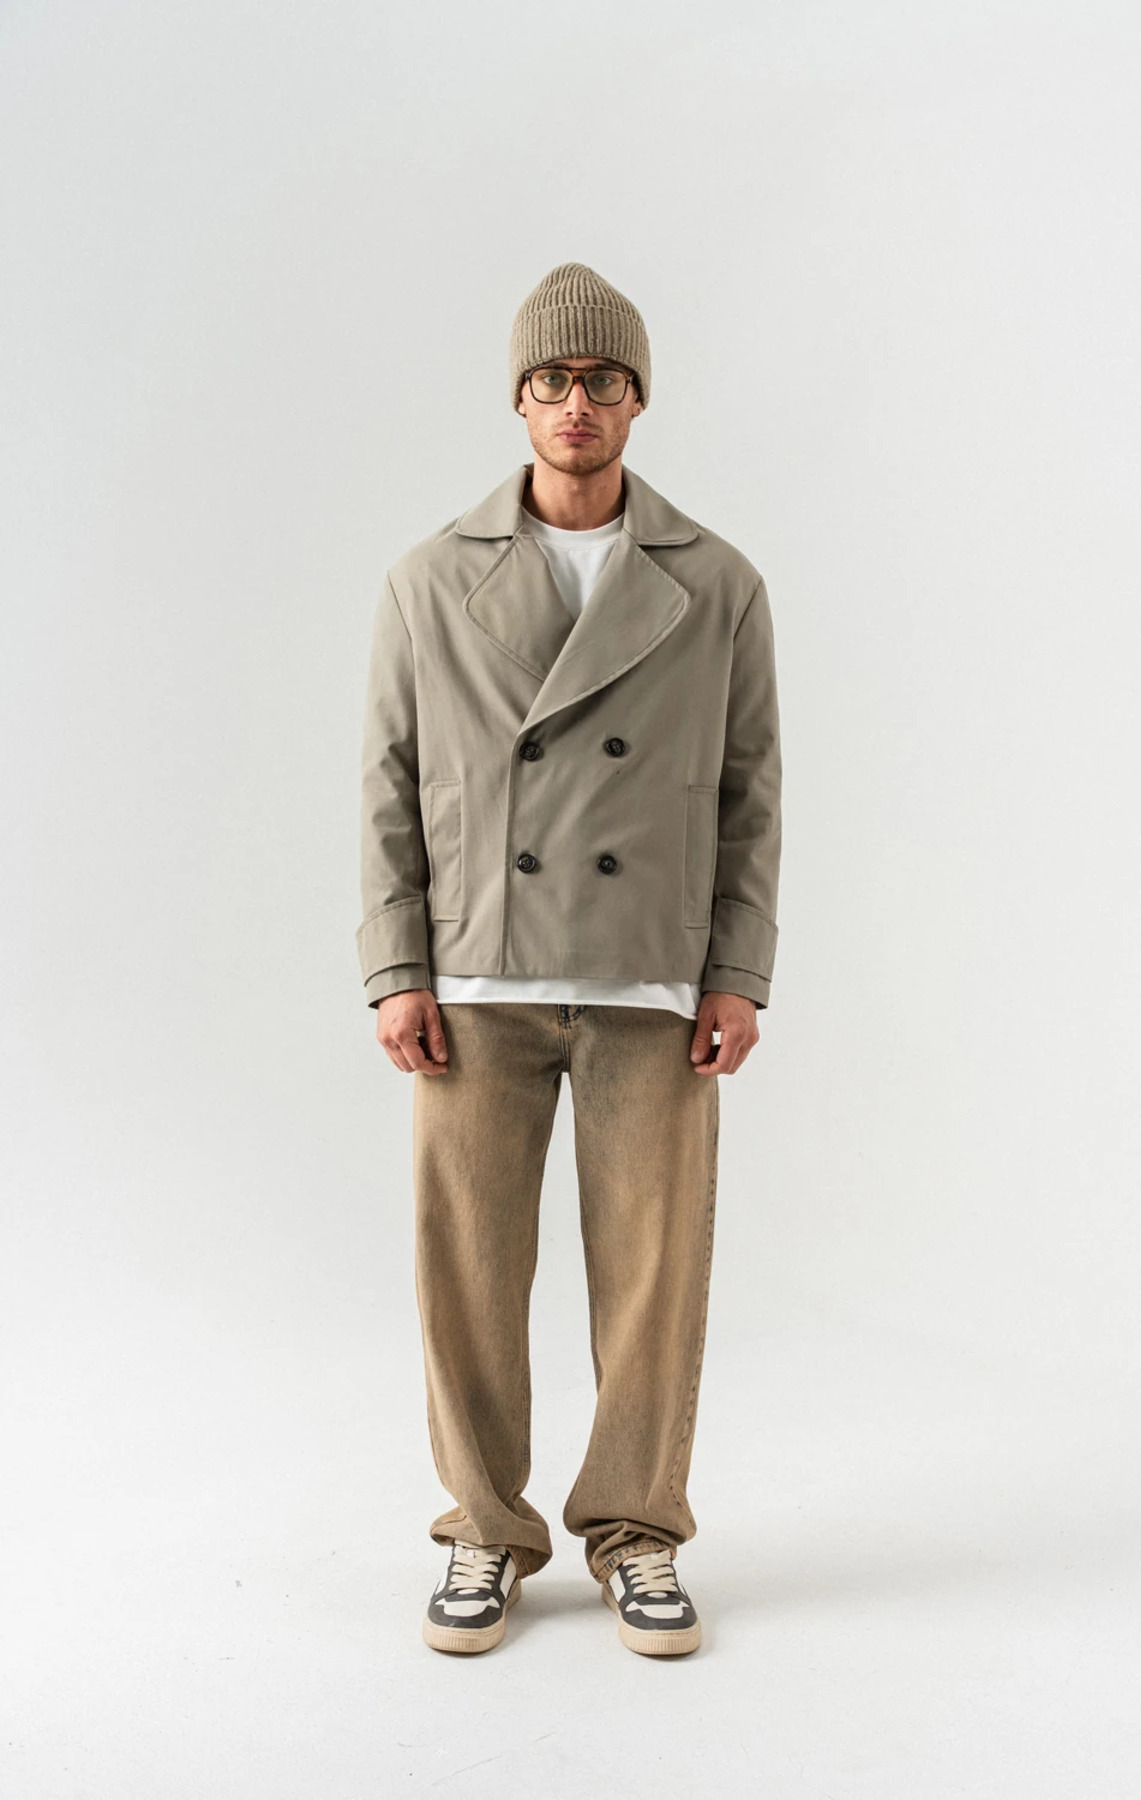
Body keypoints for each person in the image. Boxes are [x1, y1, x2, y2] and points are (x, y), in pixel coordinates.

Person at [356, 261, 783, 1657]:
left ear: (638, 398)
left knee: (654, 1276)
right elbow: (389, 785)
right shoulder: (431, 577)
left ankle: (637, 1530)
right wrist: (396, 966)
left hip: (650, 974)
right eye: (551, 380)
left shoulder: (716, 581)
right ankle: (484, 1527)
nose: (575, 403)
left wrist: (739, 970)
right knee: (468, 1274)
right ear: (519, 400)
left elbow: (751, 792)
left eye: (602, 380)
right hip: (477, 974)